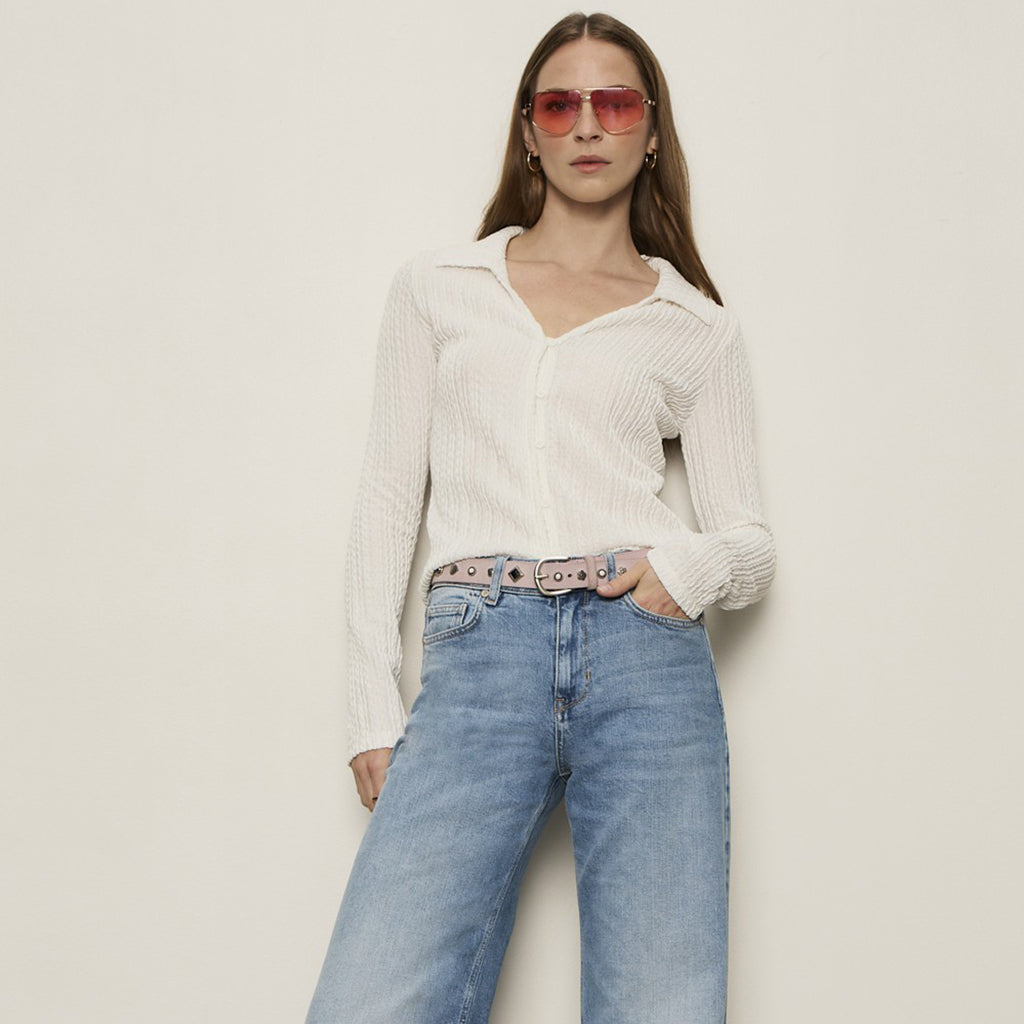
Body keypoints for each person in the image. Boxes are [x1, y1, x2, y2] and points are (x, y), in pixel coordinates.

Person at [305, 11, 776, 1024]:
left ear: (651, 130)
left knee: (660, 1006)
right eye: (560, 104)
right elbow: (388, 495)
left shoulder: (694, 325)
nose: (587, 125)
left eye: (615, 103)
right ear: (529, 130)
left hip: (646, 658)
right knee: (369, 1001)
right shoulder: (440, 288)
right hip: (478, 648)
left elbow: (749, 542)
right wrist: (371, 705)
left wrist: (677, 574)